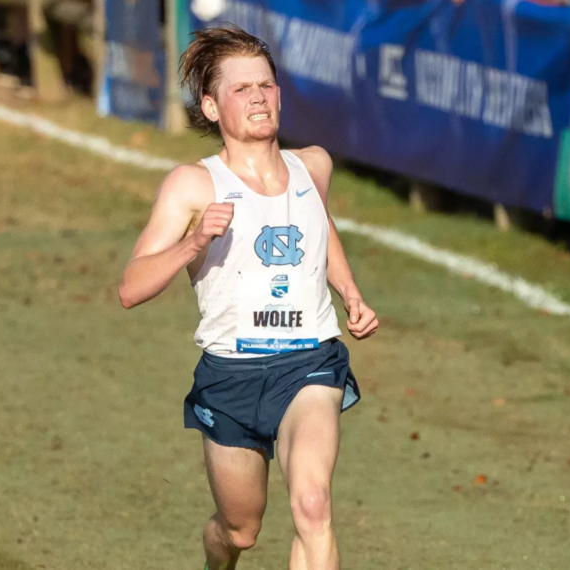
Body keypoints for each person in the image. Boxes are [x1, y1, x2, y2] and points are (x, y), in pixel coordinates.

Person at [117, 25, 379, 570]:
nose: (259, 96)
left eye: (266, 84)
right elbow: (130, 287)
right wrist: (192, 242)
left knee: (312, 504)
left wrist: (349, 291)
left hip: (310, 362)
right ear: (211, 107)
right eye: (241, 89)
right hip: (231, 376)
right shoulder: (193, 185)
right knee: (239, 532)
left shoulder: (314, 166)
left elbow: (319, 226)